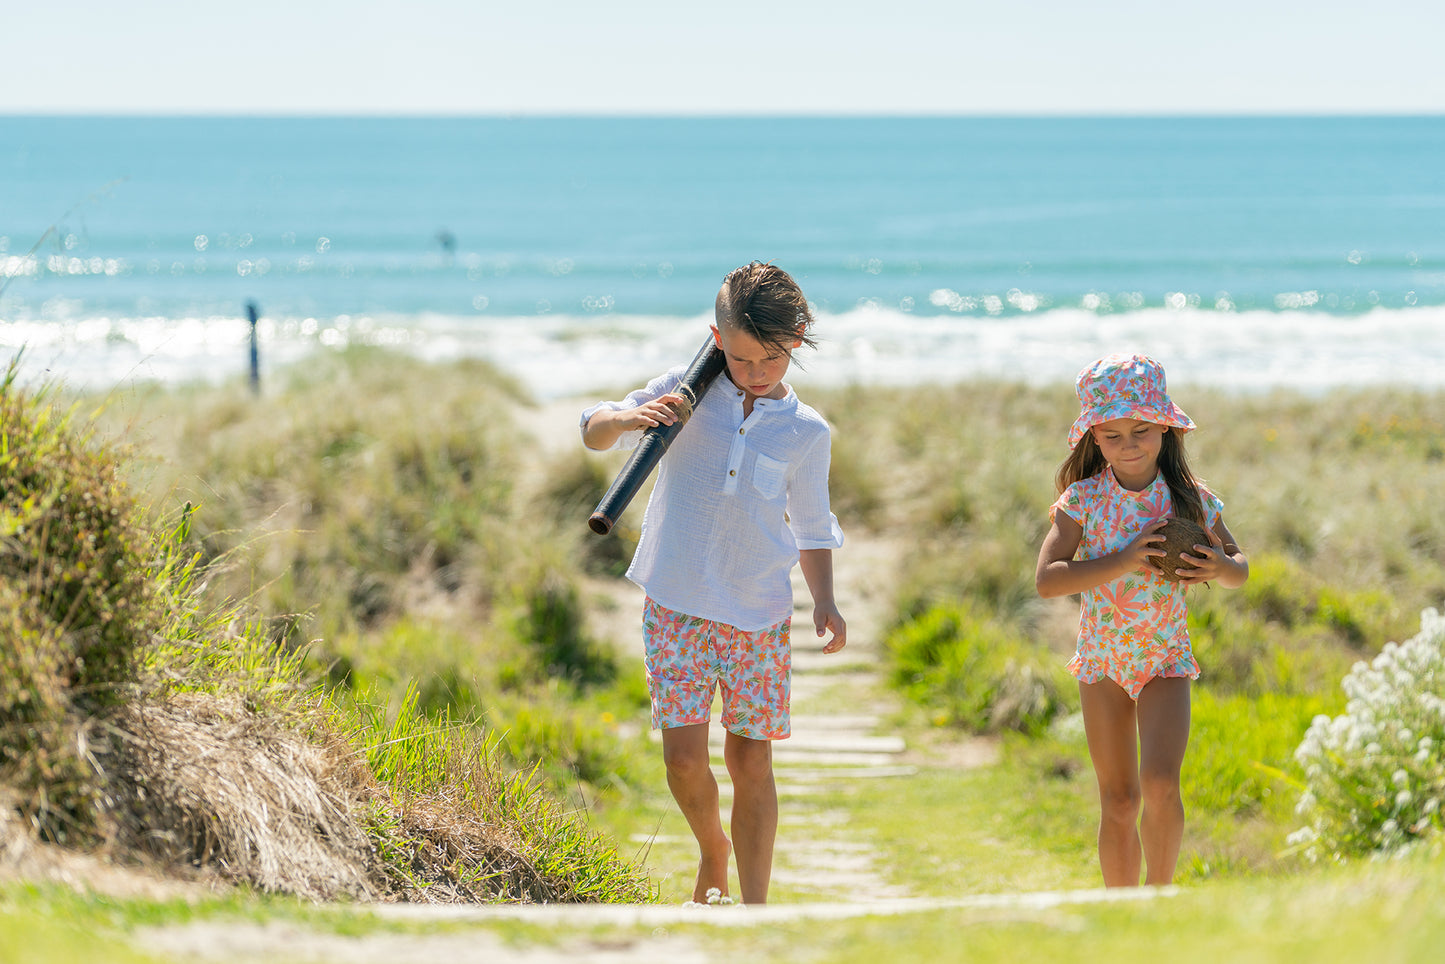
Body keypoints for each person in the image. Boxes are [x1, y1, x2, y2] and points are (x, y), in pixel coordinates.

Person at [580, 261, 846, 905]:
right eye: (743, 356)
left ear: (799, 337)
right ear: (716, 336)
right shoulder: (683, 393)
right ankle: (712, 848)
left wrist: (827, 602)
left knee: (751, 762)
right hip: (676, 604)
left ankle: (754, 909)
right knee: (683, 762)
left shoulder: (806, 432)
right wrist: (633, 417)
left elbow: (813, 525)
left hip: (758, 613)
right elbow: (594, 428)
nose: (757, 371)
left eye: (774, 357)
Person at [1034, 353, 1249, 887]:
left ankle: (1160, 899)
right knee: (1121, 801)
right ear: (1094, 440)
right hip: (1103, 664)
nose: (1128, 443)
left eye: (1141, 429)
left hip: (1164, 661)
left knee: (1160, 785)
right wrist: (1126, 559)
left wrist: (1220, 566)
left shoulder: (1191, 498)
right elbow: (1048, 579)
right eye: (1112, 434)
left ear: (1165, 428)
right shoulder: (1082, 501)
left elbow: (1239, 569)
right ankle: (1121, 913)